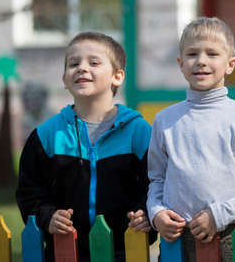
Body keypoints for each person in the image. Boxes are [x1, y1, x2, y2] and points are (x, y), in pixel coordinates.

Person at [16, 31, 156, 262]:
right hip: (63, 252)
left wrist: (146, 214)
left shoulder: (139, 132)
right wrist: (46, 216)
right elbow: (29, 191)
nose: (81, 68)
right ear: (64, 79)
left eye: (93, 62)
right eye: (74, 63)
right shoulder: (46, 135)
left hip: (127, 251)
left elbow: (156, 184)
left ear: (117, 76)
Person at [147, 17, 235, 262]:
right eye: (192, 53)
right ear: (181, 63)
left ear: (231, 64)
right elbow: (156, 178)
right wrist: (156, 213)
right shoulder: (164, 121)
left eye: (212, 53)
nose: (201, 61)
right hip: (175, 241)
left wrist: (219, 215)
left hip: (227, 236)